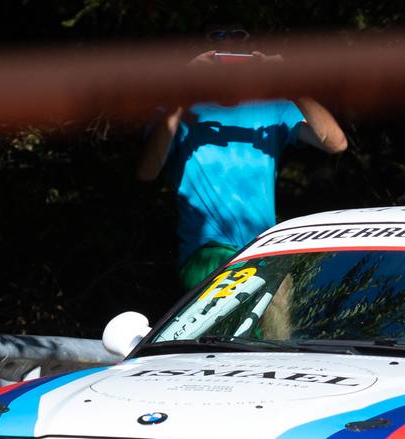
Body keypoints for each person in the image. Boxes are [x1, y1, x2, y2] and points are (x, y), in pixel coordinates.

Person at [137, 27, 348, 289]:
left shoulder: (273, 107)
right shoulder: (179, 111)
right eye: (222, 55)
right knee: (234, 319)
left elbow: (336, 143)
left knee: (279, 318)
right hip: (206, 251)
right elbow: (146, 172)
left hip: (263, 249)